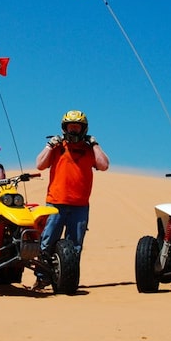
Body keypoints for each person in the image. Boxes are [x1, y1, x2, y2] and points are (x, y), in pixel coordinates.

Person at [33, 110, 110, 290]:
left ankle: (68, 281)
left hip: (80, 206)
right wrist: (49, 146)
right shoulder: (58, 147)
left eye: (77, 127)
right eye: (71, 127)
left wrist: (95, 144)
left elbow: (104, 165)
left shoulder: (89, 149)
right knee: (47, 243)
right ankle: (42, 278)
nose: (74, 131)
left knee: (75, 246)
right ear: (64, 128)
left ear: (84, 129)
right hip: (55, 203)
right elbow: (40, 164)